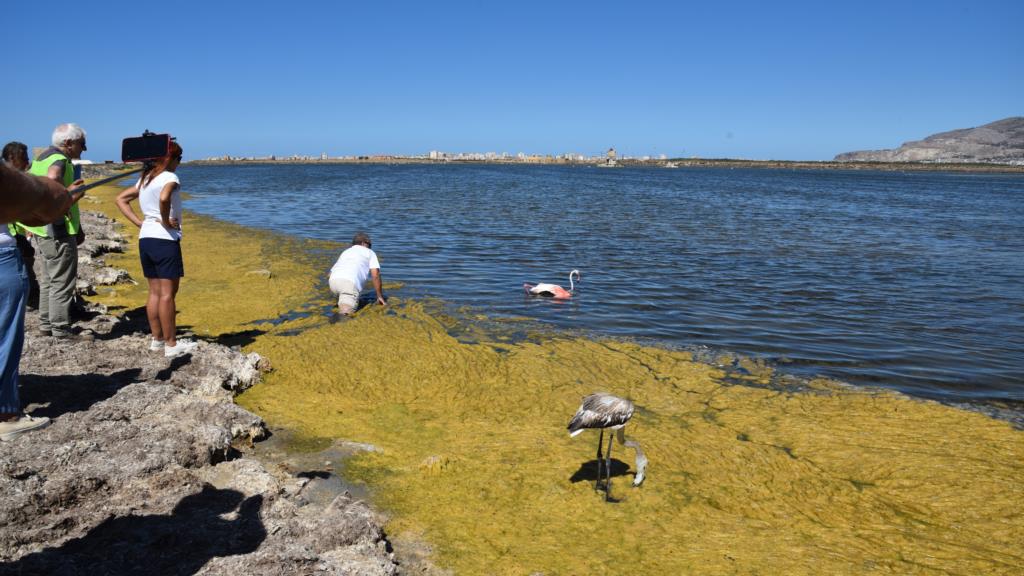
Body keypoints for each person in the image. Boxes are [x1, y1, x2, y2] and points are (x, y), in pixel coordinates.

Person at [0, 150, 83, 441]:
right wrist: (56, 197)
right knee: (4, 336)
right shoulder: (56, 163)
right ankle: (7, 415)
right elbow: (16, 191)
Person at [114, 140, 197, 358]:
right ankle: (171, 345)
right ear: (169, 158)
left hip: (146, 239)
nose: (180, 162)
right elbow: (164, 197)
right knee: (168, 294)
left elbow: (121, 199)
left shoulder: (145, 179)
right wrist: (165, 220)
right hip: (164, 240)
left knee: (154, 292)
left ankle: (156, 339)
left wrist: (141, 223)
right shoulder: (170, 177)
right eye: (179, 158)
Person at [17, 124, 88, 339]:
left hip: (42, 229)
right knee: (62, 281)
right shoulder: (59, 160)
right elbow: (53, 178)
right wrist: (67, 195)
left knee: (49, 279)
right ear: (68, 143)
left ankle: (47, 324)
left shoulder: (40, 158)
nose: (84, 149)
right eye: (81, 144)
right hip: (57, 230)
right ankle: (61, 328)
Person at [3, 142, 40, 308]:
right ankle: (31, 297)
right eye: (23, 158)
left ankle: (31, 296)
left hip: (17, 233)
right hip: (10, 238)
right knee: (25, 261)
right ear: (11, 157)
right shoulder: (7, 180)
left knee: (27, 257)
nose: (27, 162)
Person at [328, 232, 386, 315]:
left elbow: (329, 274)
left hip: (333, 282)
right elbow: (375, 275)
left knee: (342, 303)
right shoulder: (370, 252)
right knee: (345, 316)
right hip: (349, 284)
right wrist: (379, 296)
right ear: (363, 243)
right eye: (370, 245)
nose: (370, 247)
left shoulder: (346, 252)